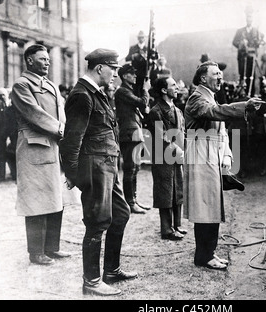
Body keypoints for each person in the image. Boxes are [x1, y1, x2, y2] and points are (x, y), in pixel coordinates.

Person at [59, 48, 138, 297]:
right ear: (100, 68)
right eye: (113, 69)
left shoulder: (96, 94)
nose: (116, 74)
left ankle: (111, 270)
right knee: (97, 222)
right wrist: (75, 176)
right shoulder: (82, 95)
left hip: (106, 166)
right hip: (94, 168)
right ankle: (91, 281)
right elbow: (71, 141)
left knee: (121, 213)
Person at [183, 61, 262, 270]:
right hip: (200, 156)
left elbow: (222, 131)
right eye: (216, 74)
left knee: (212, 206)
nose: (221, 77)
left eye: (221, 74)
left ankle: (209, 253)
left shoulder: (209, 97)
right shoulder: (196, 98)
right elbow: (214, 112)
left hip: (210, 156)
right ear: (202, 78)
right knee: (205, 208)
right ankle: (203, 256)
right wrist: (244, 105)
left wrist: (226, 158)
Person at [11, 44, 70, 265]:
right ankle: (36, 252)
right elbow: (34, 114)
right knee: (35, 199)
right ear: (29, 61)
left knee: (56, 197)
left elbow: (61, 114)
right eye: (42, 58)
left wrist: (65, 131)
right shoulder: (22, 85)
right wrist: (62, 130)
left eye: (48, 59)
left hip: (54, 145)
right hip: (33, 147)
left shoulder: (51, 86)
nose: (47, 62)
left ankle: (52, 248)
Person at [149, 76, 186, 241]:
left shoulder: (177, 110)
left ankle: (176, 225)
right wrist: (177, 149)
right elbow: (161, 135)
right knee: (165, 191)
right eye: (173, 85)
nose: (177, 87)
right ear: (164, 90)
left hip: (176, 155)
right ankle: (166, 229)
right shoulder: (156, 111)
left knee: (177, 187)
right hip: (163, 157)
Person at [114, 63, 152, 214]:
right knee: (130, 168)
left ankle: (133, 200)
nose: (135, 76)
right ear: (124, 76)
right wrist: (145, 90)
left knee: (135, 168)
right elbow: (142, 102)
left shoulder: (127, 91)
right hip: (129, 134)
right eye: (132, 74)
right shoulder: (122, 91)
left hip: (134, 132)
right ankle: (130, 202)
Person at [232, 6, 265, 97]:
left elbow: (262, 41)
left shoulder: (256, 31)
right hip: (243, 57)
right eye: (247, 17)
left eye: (250, 17)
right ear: (246, 19)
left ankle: (252, 94)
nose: (249, 19)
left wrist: (258, 43)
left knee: (252, 76)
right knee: (243, 75)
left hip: (252, 57)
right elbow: (234, 42)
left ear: (252, 19)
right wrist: (241, 44)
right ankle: (243, 94)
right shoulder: (240, 31)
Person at [125, 30, 148, 97]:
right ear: (138, 38)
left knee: (144, 89)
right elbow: (127, 58)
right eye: (140, 37)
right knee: (135, 89)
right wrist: (133, 56)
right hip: (135, 72)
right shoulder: (133, 48)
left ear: (144, 38)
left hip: (144, 72)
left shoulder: (147, 49)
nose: (141, 39)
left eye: (142, 37)